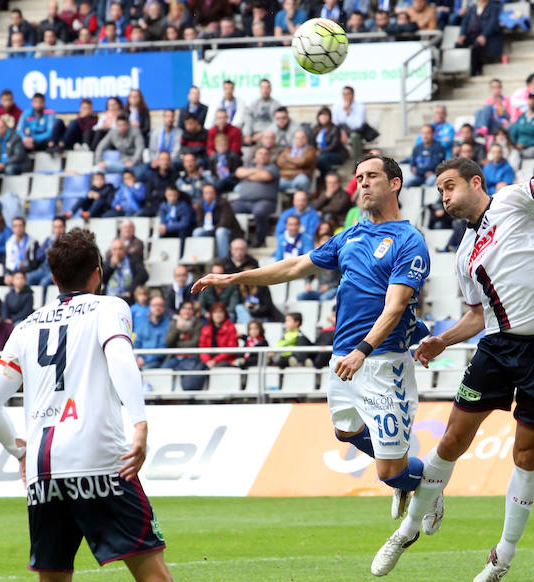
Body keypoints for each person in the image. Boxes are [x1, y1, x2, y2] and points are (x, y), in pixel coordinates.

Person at [364, 151, 534, 582]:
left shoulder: (513, 200)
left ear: (476, 183)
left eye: (449, 186)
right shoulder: (462, 255)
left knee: (525, 455)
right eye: (440, 190)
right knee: (450, 442)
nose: (444, 196)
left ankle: (504, 555)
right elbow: (478, 316)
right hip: (498, 348)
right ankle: (405, 532)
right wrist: (443, 340)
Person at [193, 153, 431, 520]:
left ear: (394, 184)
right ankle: (404, 476)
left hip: (380, 361)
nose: (362, 182)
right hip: (344, 358)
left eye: (371, 176)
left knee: (390, 472)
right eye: (358, 177)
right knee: (345, 431)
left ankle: (426, 481)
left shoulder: (408, 240)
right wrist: (232, 277)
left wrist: (362, 351)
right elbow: (292, 266)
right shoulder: (350, 235)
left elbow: (395, 307)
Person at [0, 228, 187, 582]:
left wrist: (18, 451)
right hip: (99, 457)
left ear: (53, 278)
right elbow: (121, 358)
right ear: (98, 272)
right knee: (157, 580)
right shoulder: (109, 308)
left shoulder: (25, 327)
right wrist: (139, 425)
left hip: (44, 467)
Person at [231, 147, 280, 248]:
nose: (263, 155)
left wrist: (247, 175)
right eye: (260, 153)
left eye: (265, 154)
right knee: (228, 208)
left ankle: (259, 240)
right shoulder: (248, 165)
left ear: (269, 157)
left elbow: (265, 176)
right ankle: (239, 238)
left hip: (264, 201)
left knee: (260, 211)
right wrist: (256, 171)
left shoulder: (273, 167)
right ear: (255, 156)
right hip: (243, 202)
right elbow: (238, 172)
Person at [134, 295, 170, 370]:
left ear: (164, 308)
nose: (157, 307)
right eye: (155, 305)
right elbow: (137, 343)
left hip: (157, 361)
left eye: (160, 305)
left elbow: (163, 348)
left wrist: (145, 360)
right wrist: (139, 357)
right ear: (150, 307)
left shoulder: (168, 324)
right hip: (141, 359)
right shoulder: (144, 323)